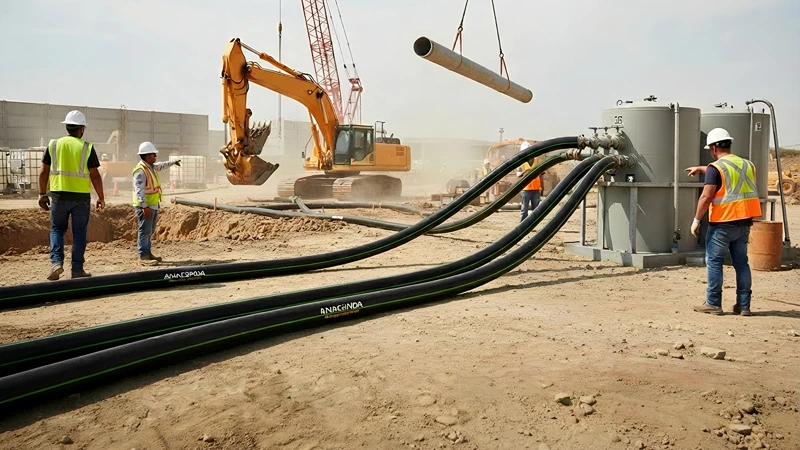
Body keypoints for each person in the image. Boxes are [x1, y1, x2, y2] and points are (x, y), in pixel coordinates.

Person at [685, 128, 762, 316]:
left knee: (714, 262)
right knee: (741, 263)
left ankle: (713, 304)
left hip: (722, 223)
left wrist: (696, 220)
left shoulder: (715, 168)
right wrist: (702, 168)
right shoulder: (747, 164)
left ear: (713, 148)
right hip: (744, 223)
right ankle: (744, 306)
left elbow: (706, 196)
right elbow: (729, 172)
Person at [37, 110, 105, 280]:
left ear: (66, 127)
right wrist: (101, 197)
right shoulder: (87, 147)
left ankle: (56, 263)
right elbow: (95, 175)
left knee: (57, 229)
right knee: (79, 233)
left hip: (59, 196)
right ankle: (77, 269)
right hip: (81, 198)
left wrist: (42, 194)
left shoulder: (53, 145)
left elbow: (43, 171)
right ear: (81, 128)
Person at [133, 142, 180, 263]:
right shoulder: (141, 170)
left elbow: (161, 165)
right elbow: (139, 191)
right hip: (145, 206)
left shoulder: (150, 167)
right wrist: (144, 207)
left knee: (150, 231)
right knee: (145, 231)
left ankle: (147, 253)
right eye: (154, 154)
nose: (155, 156)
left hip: (152, 205)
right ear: (148, 156)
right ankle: (143, 256)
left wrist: (173, 162)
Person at [517, 141, 543, 223]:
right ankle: (523, 225)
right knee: (524, 209)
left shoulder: (537, 160)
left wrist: (542, 187)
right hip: (526, 189)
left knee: (536, 210)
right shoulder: (521, 162)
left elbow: (541, 175)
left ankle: (533, 224)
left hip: (536, 189)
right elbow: (518, 174)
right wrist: (525, 171)